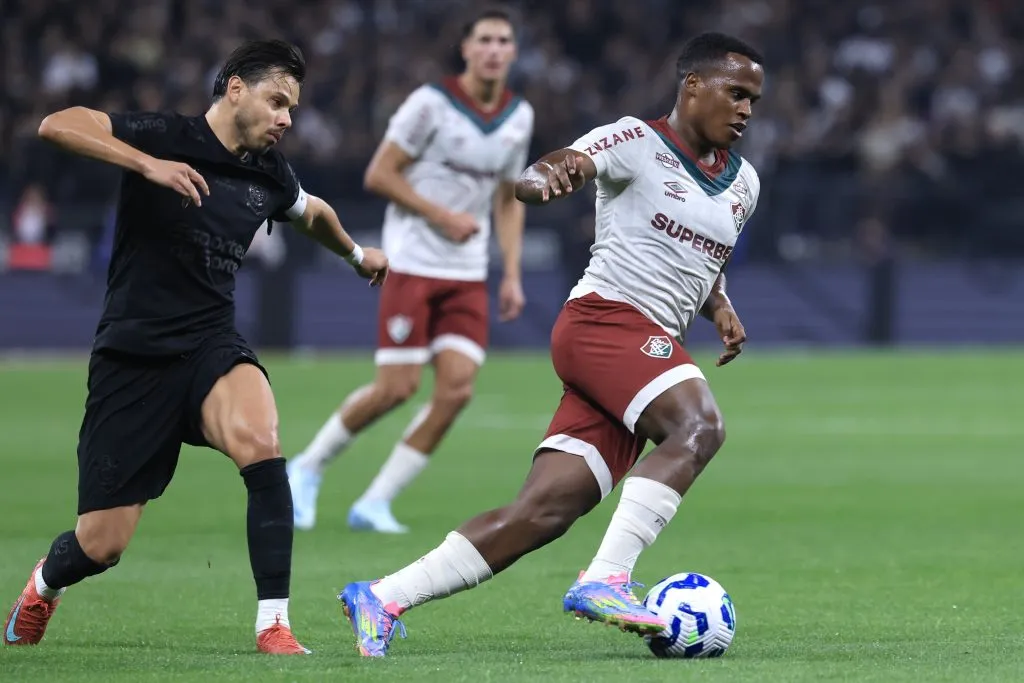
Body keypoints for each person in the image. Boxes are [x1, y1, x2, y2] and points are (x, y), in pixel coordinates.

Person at [337, 32, 764, 657]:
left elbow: (700, 258)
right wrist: (543, 179)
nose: (747, 109)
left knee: (542, 512)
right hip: (606, 322)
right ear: (692, 87)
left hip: (641, 347)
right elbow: (557, 166)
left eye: (754, 98)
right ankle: (606, 578)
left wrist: (719, 304)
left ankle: (382, 595)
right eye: (736, 93)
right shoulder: (635, 140)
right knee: (699, 426)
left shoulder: (744, 183)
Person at [2, 40, 389, 654]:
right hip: (132, 355)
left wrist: (355, 255)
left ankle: (273, 625)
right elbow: (58, 125)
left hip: (210, 343)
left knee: (263, 444)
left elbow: (311, 212)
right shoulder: (165, 135)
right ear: (235, 87)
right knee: (102, 545)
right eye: (277, 100)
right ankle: (42, 588)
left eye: (292, 106)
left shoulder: (269, 170)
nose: (287, 117)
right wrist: (145, 164)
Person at [287, 7, 534, 534]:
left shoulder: (519, 117)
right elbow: (379, 173)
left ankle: (375, 501)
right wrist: (441, 215)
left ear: (513, 52)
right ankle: (305, 469)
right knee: (396, 387)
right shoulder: (431, 104)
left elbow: (509, 199)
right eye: (484, 39)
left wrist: (510, 272)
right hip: (413, 262)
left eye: (503, 41)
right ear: (466, 49)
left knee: (457, 391)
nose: (494, 49)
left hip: (468, 272)